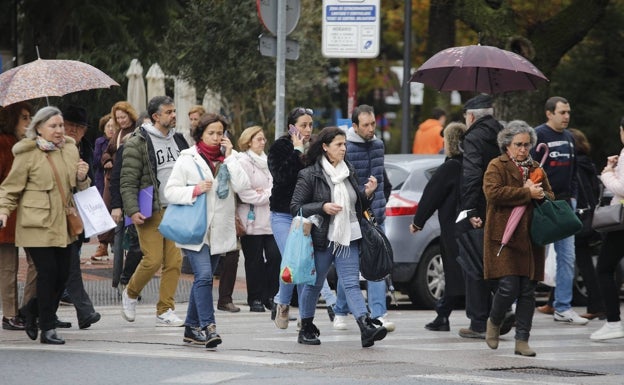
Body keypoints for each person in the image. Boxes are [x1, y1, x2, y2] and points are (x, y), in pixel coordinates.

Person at [0, 106, 91, 344]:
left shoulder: (69, 150)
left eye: (61, 126)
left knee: (62, 277)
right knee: (48, 273)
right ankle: (47, 328)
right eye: (53, 126)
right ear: (38, 129)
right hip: (35, 224)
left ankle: (31, 310)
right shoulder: (27, 153)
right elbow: (10, 188)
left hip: (63, 224)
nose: (59, 130)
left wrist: (82, 177)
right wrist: (3, 211)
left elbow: (78, 186)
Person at [291, 126, 387, 347]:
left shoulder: (348, 170)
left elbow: (356, 204)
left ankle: (365, 327)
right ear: (325, 147)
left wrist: (368, 194)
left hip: (348, 236)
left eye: (344, 144)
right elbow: (296, 207)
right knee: (314, 284)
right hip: (323, 238)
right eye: (339, 145)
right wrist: (322, 207)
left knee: (352, 283)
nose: (344, 149)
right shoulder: (310, 174)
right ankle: (306, 327)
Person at [165, 112, 248, 348]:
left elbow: (243, 186)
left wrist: (230, 157)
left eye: (220, 133)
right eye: (210, 133)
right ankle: (209, 327)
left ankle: (191, 329)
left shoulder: (231, 159)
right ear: (200, 134)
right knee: (202, 276)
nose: (215, 137)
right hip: (196, 229)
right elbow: (170, 192)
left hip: (219, 231)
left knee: (204, 279)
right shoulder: (187, 158)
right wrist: (195, 189)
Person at [482, 120, 554, 357]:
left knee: (527, 291)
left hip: (531, 239)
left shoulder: (536, 167)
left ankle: (522, 339)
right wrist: (526, 192)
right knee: (508, 286)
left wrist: (540, 194)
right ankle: (494, 321)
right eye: (518, 144)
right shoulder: (497, 165)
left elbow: (550, 196)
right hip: (504, 237)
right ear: (507, 145)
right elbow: (493, 193)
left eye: (527, 144)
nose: (523, 149)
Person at [120, 95, 189, 326]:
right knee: (153, 259)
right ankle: (130, 293)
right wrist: (132, 210)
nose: (173, 115)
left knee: (174, 261)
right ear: (156, 116)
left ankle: (165, 309)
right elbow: (128, 180)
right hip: (151, 208)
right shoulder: (138, 141)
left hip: (176, 208)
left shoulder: (179, 140)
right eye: (168, 112)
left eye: (173, 111)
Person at [457, 94, 514, 339]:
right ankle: (503, 309)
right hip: (504, 206)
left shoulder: (473, 137)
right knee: (496, 259)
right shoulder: (504, 133)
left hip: (480, 208)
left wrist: (469, 210)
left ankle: (480, 321)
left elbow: (471, 175)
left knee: (473, 261)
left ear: (471, 116)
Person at [335, 104, 394, 332]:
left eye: (373, 124)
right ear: (355, 126)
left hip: (376, 216)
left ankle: (379, 313)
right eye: (366, 125)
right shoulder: (346, 147)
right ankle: (340, 310)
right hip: (352, 215)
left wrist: (380, 203)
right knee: (350, 267)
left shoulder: (379, 145)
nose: (371, 129)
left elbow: (382, 179)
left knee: (377, 263)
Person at [531, 96, 587, 325]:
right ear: (549, 113)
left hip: (564, 204)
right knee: (534, 256)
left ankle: (562, 307)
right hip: (542, 203)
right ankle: (518, 302)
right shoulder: (539, 135)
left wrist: (573, 197)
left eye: (568, 112)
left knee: (567, 257)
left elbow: (573, 172)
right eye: (562, 112)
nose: (566, 117)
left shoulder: (570, 137)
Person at [410, 122, 467, 332]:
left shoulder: (451, 166)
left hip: (453, 226)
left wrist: (418, 222)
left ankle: (444, 316)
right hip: (472, 224)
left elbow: (431, 195)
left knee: (454, 271)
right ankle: (443, 314)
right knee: (463, 271)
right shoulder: (472, 165)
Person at [267, 107, 314, 329]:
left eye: (310, 125)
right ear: (291, 128)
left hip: (306, 215)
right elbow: (282, 177)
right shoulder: (280, 147)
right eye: (303, 125)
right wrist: (296, 151)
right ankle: (283, 302)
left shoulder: (315, 148)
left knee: (304, 262)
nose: (307, 130)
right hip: (282, 215)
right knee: (291, 260)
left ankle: (305, 317)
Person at [59, 105, 101, 330]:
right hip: (57, 216)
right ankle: (85, 311)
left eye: (79, 127)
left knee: (61, 269)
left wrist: (83, 177)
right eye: (70, 125)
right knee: (69, 266)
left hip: (77, 217)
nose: (74, 130)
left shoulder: (85, 147)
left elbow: (89, 185)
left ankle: (33, 311)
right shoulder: (53, 149)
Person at [0, 102, 37, 331]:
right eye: (24, 117)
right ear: (11, 119)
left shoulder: (25, 143)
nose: (28, 122)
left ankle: (26, 310)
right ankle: (11, 313)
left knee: (37, 263)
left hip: (27, 213)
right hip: (8, 214)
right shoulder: (4, 143)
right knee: (7, 267)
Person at [236, 125, 281, 312]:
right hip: (250, 220)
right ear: (248, 142)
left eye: (264, 139)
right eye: (258, 139)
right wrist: (267, 195)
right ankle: (254, 298)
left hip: (270, 219)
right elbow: (245, 193)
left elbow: (276, 186)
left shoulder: (268, 161)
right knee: (253, 261)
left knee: (275, 257)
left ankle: (271, 296)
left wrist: (266, 193)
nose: (263, 142)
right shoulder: (242, 162)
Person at [590, 117, 624, 340]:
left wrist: (606, 173)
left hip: (622, 221)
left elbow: (621, 187)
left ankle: (613, 322)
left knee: (604, 268)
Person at [94, 101, 138, 261]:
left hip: (131, 177)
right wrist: (107, 161)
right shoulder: (118, 134)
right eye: (118, 118)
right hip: (112, 178)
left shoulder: (137, 130)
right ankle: (105, 243)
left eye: (123, 117)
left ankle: (128, 245)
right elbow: (107, 151)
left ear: (130, 115)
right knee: (108, 210)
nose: (121, 120)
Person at [569, 128, 605, 320]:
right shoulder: (587, 163)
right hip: (589, 218)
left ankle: (597, 304)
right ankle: (553, 302)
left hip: (580, 218)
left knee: (580, 263)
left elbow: (582, 193)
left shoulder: (577, 166)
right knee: (576, 262)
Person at [93, 114, 115, 198]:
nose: (110, 129)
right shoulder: (99, 142)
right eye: (108, 126)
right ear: (104, 129)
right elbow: (95, 161)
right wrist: (105, 161)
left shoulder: (119, 141)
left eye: (113, 126)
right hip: (102, 179)